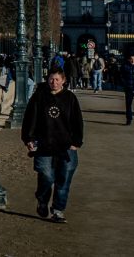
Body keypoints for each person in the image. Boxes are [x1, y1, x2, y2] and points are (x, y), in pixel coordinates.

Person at [22, 66, 84, 223]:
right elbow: (30, 119)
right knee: (46, 176)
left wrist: (76, 142)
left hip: (66, 146)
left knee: (63, 180)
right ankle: (42, 199)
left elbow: (77, 122)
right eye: (51, 79)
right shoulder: (39, 97)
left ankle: (58, 210)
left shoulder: (70, 98)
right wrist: (28, 139)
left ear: (63, 80)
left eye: (57, 79)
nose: (53, 82)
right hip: (44, 144)